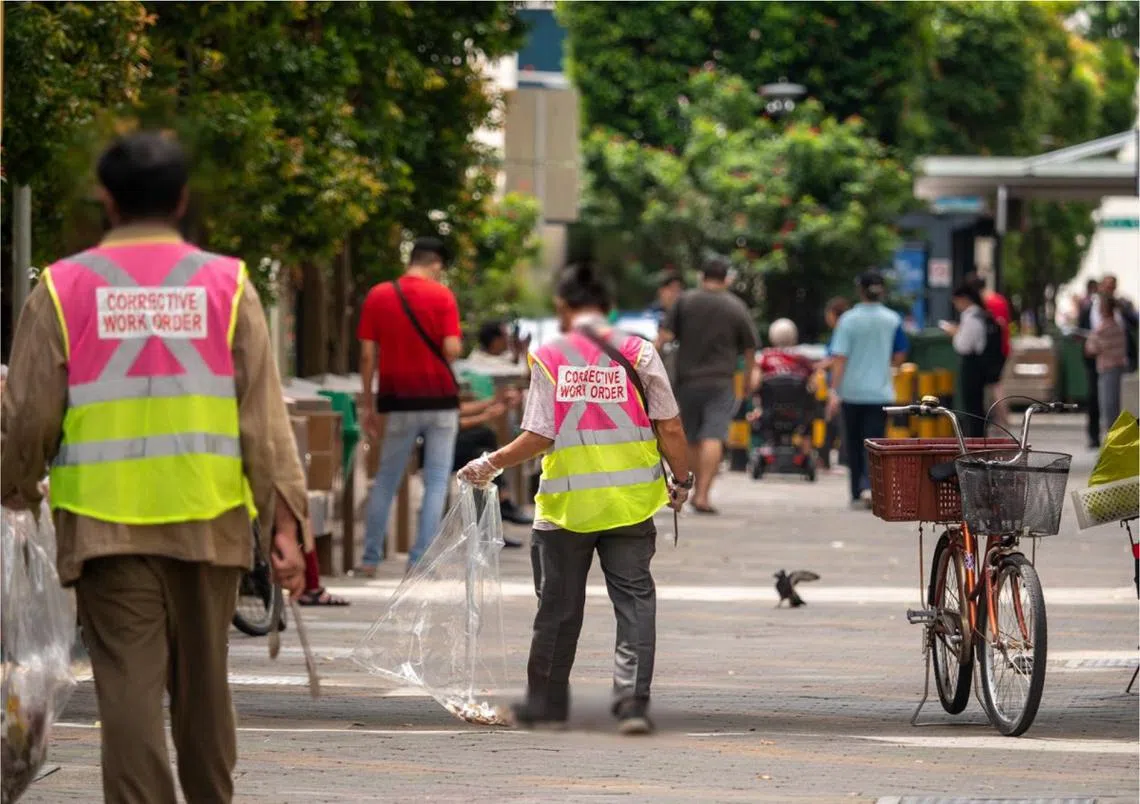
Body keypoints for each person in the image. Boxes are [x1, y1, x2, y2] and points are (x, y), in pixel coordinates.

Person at [0, 131, 309, 804]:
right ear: (182, 199)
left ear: (107, 201)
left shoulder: (61, 288)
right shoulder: (228, 286)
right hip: (211, 520)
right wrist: (285, 524)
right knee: (204, 690)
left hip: (108, 528)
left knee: (129, 694)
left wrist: (16, 489)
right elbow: (262, 417)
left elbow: (26, 415)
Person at [457, 262, 692, 735]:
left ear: (564, 307)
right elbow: (669, 425)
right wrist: (682, 483)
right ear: (605, 306)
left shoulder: (550, 355)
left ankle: (546, 704)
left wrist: (491, 462)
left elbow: (540, 434)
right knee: (634, 603)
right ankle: (632, 706)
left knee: (558, 610)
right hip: (630, 503)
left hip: (566, 508)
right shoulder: (639, 351)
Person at [357, 237, 461, 575]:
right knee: (435, 480)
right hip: (440, 400)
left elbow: (368, 355)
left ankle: (370, 559)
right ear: (435, 265)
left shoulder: (379, 295)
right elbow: (450, 349)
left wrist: (369, 404)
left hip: (397, 400)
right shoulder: (442, 296)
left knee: (386, 478)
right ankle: (420, 560)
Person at [657, 256, 757, 514]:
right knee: (713, 435)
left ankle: (687, 494)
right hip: (720, 381)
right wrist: (747, 381)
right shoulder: (736, 307)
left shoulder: (685, 301)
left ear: (702, 276)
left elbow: (664, 338)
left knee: (689, 435)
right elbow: (749, 348)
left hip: (687, 380)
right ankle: (703, 495)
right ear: (726, 278)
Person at [826, 271, 907, 508]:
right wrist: (886, 366)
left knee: (853, 443)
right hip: (880, 393)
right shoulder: (892, 319)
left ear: (860, 290)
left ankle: (855, 492)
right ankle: (874, 489)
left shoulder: (848, 320)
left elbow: (839, 358)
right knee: (875, 444)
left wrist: (834, 390)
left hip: (851, 392)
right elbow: (900, 353)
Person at [966, 272, 1011, 429]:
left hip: (992, 351)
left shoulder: (985, 303)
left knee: (995, 386)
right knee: (995, 386)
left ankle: (1004, 421)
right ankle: (1000, 421)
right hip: (1002, 348)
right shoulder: (999, 299)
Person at [946, 282, 991, 438]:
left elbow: (963, 346)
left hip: (972, 365)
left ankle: (975, 439)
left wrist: (954, 333)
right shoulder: (979, 314)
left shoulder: (972, 316)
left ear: (964, 299)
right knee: (975, 404)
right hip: (979, 364)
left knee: (972, 406)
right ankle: (976, 436)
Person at [1085, 294, 1130, 433]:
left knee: (1108, 408)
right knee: (1115, 406)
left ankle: (1111, 441)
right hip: (1118, 368)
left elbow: (1090, 349)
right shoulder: (1119, 327)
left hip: (1107, 369)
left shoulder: (1103, 329)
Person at [1077, 279, 1102, 447]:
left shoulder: (1118, 310)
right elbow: (1080, 329)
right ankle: (1094, 436)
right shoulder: (1088, 309)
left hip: (1112, 362)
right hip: (1093, 359)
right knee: (1094, 397)